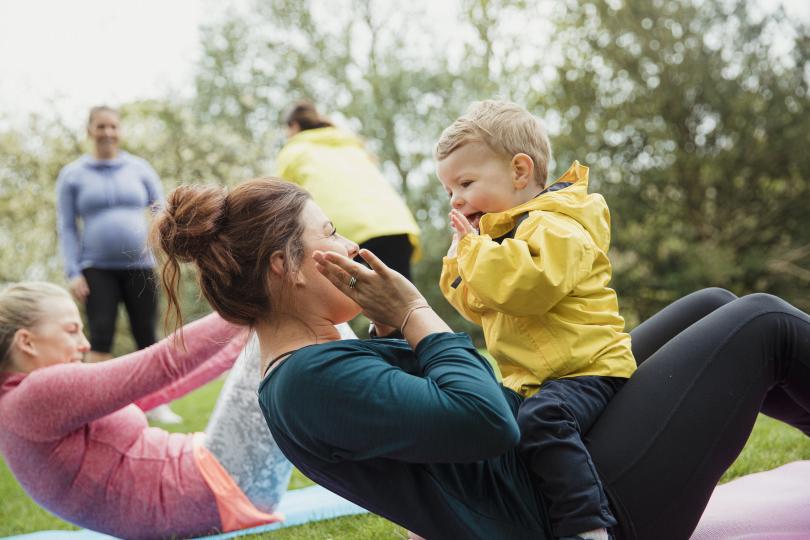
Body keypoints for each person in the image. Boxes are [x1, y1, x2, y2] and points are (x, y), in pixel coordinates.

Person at [153, 177, 810, 540]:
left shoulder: (319, 361)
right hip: (574, 511)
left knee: (711, 305)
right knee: (762, 322)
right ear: (286, 268)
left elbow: (456, 418)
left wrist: (395, 327)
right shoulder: (308, 384)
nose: (350, 246)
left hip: (549, 468)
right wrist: (414, 315)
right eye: (329, 233)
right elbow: (488, 417)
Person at [435, 100, 636, 540]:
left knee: (543, 421)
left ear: (520, 172)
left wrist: (474, 251)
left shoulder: (554, 225)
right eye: (450, 190)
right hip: (543, 378)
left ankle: (587, 527)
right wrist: (457, 262)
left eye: (466, 182)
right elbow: (482, 304)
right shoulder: (502, 239)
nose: (457, 199)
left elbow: (527, 287)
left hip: (589, 369)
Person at [0, 282, 296, 539]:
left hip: (215, 489)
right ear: (26, 342)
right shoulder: (36, 394)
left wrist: (244, 339)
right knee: (298, 325)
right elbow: (162, 363)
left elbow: (162, 388)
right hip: (218, 490)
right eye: (72, 331)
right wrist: (252, 302)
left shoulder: (21, 407)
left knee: (287, 324)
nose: (84, 344)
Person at [55, 105, 181, 424]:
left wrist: (166, 245)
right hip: (96, 268)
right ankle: (96, 409)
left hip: (140, 265)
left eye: (113, 126)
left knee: (146, 336)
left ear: (120, 130)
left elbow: (160, 211)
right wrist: (73, 272)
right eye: (101, 126)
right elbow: (68, 226)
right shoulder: (72, 175)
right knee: (99, 336)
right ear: (89, 130)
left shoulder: (139, 168)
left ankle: (157, 404)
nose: (107, 132)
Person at [276, 101, 421, 280]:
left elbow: (285, 202)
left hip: (348, 234)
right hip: (395, 225)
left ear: (294, 126)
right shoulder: (350, 143)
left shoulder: (293, 151)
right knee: (404, 298)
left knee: (354, 298)